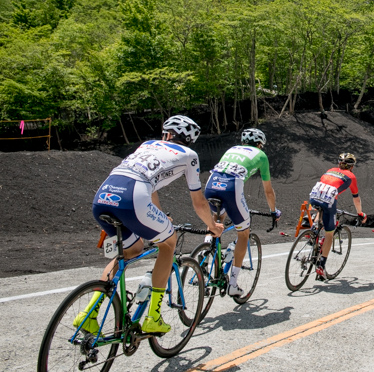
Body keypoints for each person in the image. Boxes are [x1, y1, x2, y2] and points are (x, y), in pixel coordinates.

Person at [76, 115, 224, 335]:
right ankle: (153, 317)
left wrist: (159, 214)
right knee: (168, 243)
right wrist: (212, 225)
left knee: (130, 251)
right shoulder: (189, 155)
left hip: (104, 195)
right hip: (133, 197)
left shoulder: (147, 145)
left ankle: (88, 315)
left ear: (167, 133)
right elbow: (199, 201)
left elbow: (151, 187)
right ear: (189, 139)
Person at [204, 128, 280, 297]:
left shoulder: (231, 149)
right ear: (260, 144)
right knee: (243, 234)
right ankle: (232, 284)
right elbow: (268, 191)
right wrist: (273, 211)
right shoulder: (261, 155)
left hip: (211, 184)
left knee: (217, 221)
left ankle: (204, 257)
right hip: (232, 187)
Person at [309, 153, 367, 280]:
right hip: (328, 200)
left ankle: (313, 229)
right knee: (329, 233)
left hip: (313, 196)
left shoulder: (330, 170)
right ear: (351, 167)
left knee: (321, 207)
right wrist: (360, 213)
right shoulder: (351, 176)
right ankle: (321, 266)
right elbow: (356, 198)